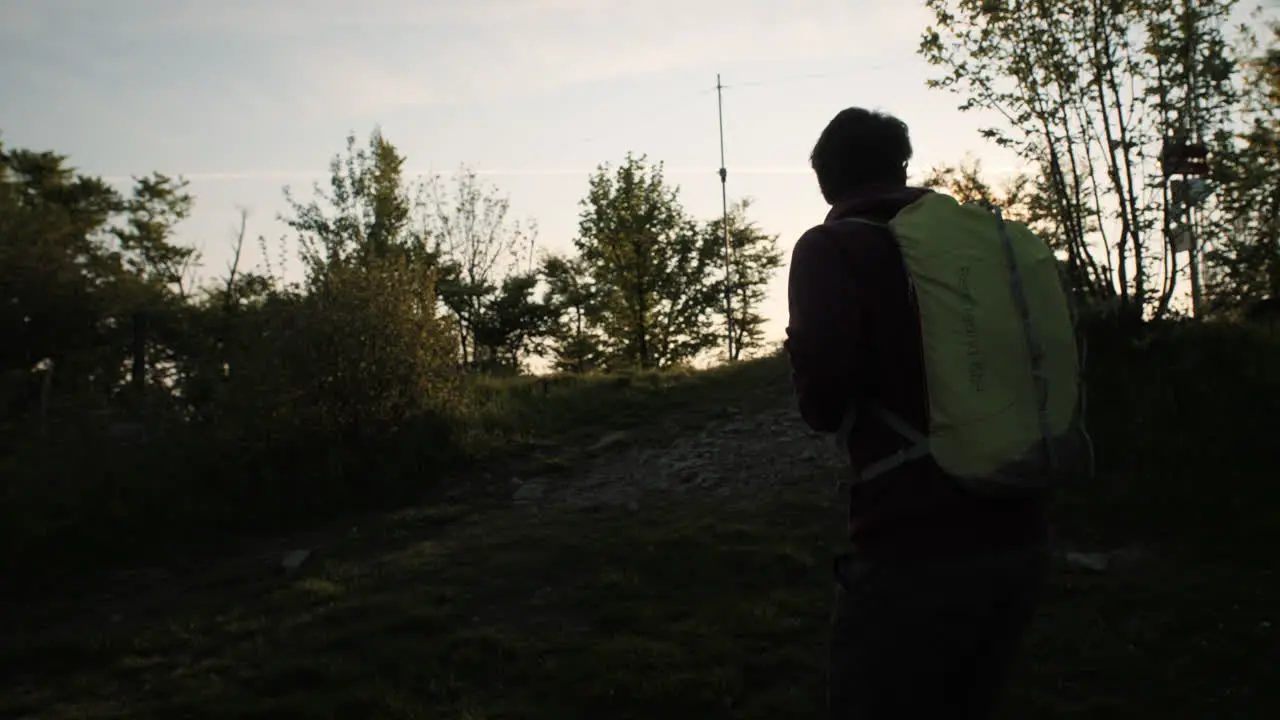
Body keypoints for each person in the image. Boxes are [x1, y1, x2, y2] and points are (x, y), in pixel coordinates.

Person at [785, 107, 1061, 719]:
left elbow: (823, 403)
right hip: (1020, 527)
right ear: (902, 166)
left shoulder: (831, 247)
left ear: (827, 180)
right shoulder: (987, 242)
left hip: (913, 544)